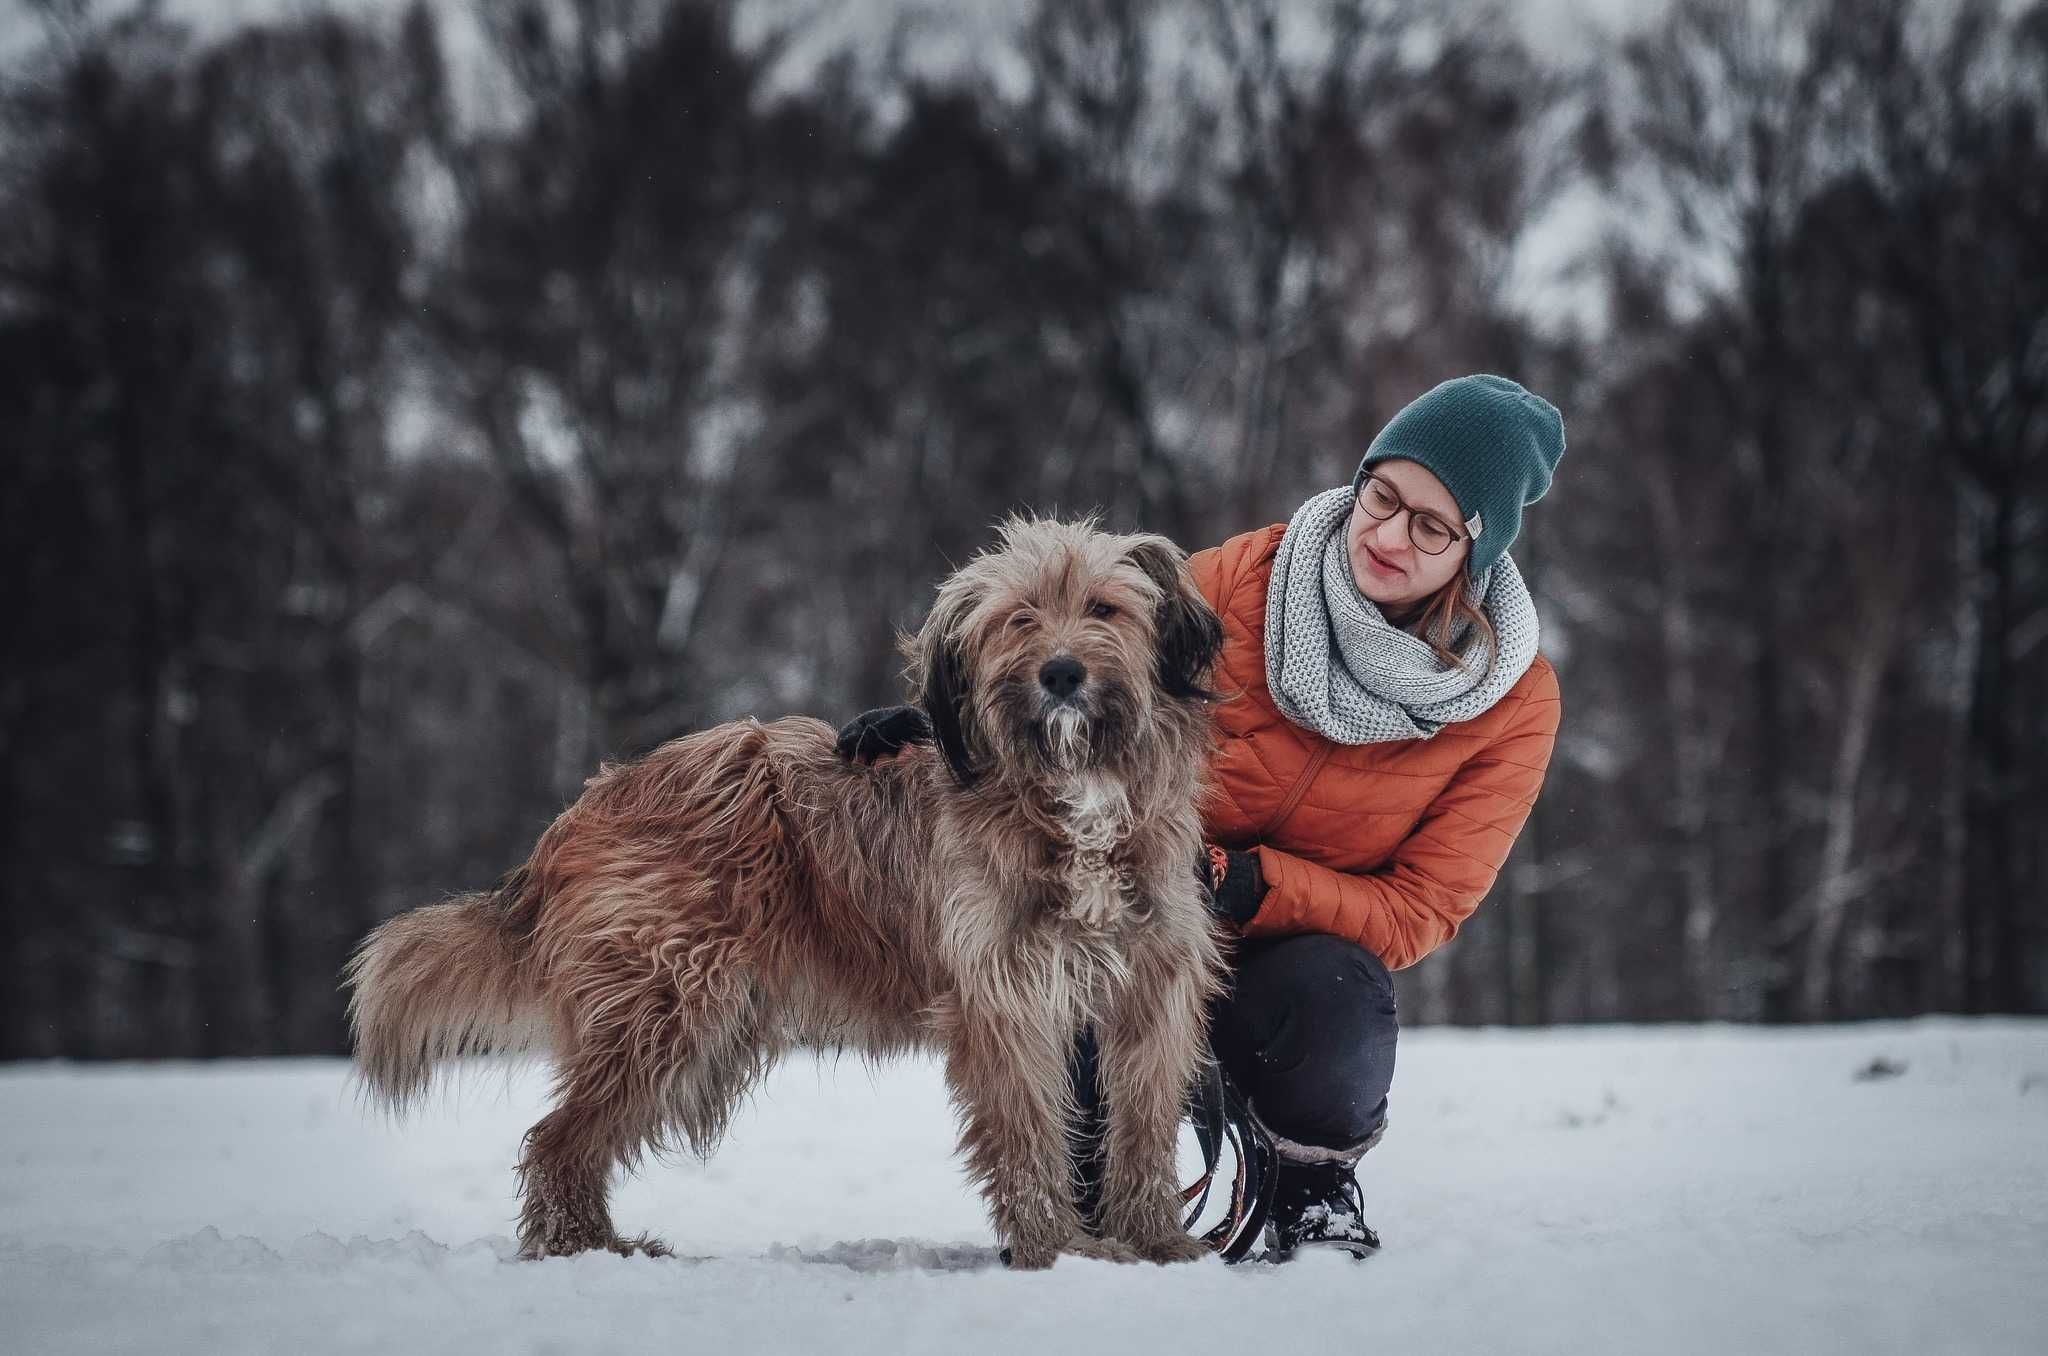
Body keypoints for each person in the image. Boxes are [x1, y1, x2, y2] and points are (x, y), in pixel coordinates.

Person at [838, 373, 1565, 1262]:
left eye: (1432, 526)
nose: (1387, 535)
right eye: (1384, 496)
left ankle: (1311, 1184)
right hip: (1135, 910)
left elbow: (1423, 908)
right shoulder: (1237, 584)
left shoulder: (1511, 703)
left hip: (1276, 949)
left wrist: (1253, 887)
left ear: (1474, 550)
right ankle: (1092, 1190)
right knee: (1068, 977)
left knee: (1344, 1003)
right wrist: (947, 716)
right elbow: (1083, 666)